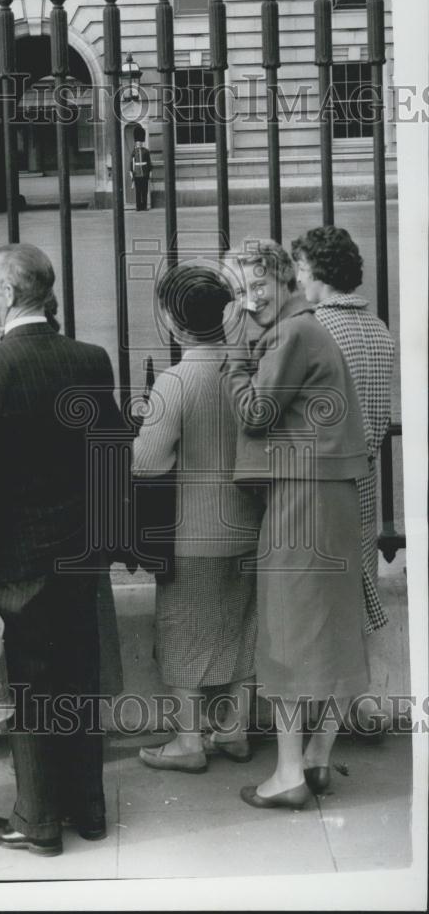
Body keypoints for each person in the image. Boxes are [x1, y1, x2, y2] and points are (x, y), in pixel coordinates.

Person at [0, 243, 124, 857]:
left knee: (28, 685)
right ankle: (91, 810)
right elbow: (111, 457)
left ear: (7, 294)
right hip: (80, 549)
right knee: (81, 676)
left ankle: (38, 820)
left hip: (18, 557)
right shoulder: (90, 359)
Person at [222, 240, 370, 809]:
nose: (249, 300)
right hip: (325, 493)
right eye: (238, 290)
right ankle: (315, 758)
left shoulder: (291, 334)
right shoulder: (306, 330)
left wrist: (236, 358)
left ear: (286, 279)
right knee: (321, 628)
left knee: (286, 629)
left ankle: (287, 774)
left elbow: (256, 413)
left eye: (258, 285)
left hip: (301, 496)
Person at [134, 265, 262, 773]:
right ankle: (235, 730)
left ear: (171, 320)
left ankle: (188, 742)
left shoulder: (175, 380)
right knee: (243, 627)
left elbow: (147, 463)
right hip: (250, 526)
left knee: (182, 632)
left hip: (193, 533)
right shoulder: (246, 369)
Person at [291, 226, 395, 637]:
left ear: (318, 271)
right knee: (352, 601)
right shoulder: (378, 329)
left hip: (323, 483)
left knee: (317, 611)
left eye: (301, 268)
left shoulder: (314, 330)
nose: (298, 279)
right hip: (364, 480)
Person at [129, 124, 152, 211]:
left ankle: (144, 206)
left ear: (142, 142)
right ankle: (138, 207)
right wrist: (131, 172)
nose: (139, 143)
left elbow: (149, 162)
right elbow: (131, 162)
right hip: (137, 174)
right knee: (138, 192)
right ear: (136, 142)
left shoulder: (146, 151)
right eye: (138, 142)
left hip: (145, 173)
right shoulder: (134, 152)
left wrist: (150, 172)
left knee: (144, 191)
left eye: (140, 142)